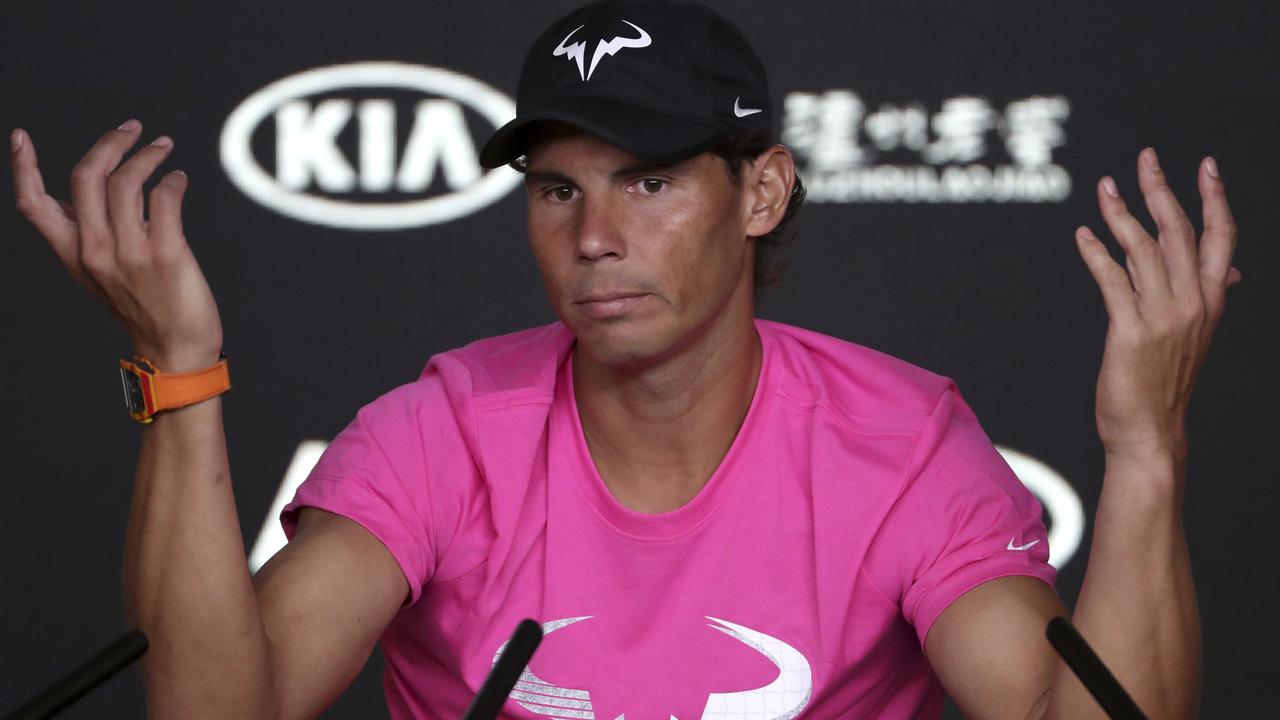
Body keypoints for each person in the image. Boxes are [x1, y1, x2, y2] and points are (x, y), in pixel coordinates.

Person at [8, 0, 1242, 717]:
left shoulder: (900, 442)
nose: (593, 239)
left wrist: (1142, 454)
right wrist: (179, 369)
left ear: (759, 192)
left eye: (648, 182)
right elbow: (227, 709)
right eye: (555, 190)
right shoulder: (442, 427)